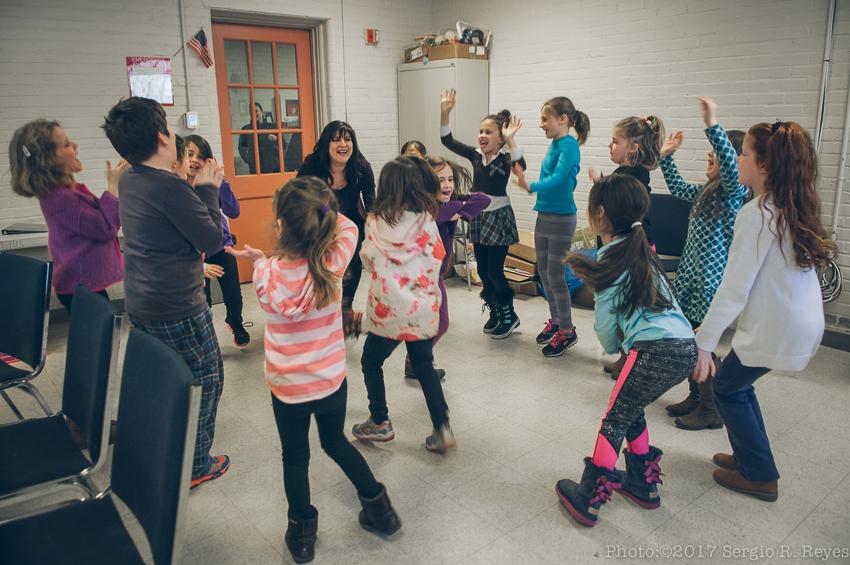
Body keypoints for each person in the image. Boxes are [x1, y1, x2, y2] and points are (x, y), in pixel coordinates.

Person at [227, 177, 400, 564]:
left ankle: (302, 532)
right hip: (329, 382)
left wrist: (258, 260)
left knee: (295, 457)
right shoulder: (332, 264)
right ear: (324, 223)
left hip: (287, 387)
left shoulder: (266, 274)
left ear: (281, 226)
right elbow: (350, 226)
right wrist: (326, 213)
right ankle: (381, 511)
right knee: (335, 442)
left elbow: (271, 278)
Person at [692, 121, 834, 502]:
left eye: (744, 153)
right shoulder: (785, 206)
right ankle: (749, 457)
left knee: (725, 386)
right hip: (795, 322)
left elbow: (734, 289)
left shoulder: (757, 213)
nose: (737, 159)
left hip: (780, 325)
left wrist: (704, 342)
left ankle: (759, 475)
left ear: (764, 165)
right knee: (737, 384)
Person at [555, 174, 698, 527]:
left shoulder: (612, 260)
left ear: (599, 214)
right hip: (685, 348)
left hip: (651, 350)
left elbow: (604, 322)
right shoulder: (643, 251)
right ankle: (642, 483)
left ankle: (588, 497)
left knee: (614, 419)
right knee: (631, 407)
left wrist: (610, 348)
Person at [102, 96, 229, 489]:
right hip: (178, 306)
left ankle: (162, 444)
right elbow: (211, 238)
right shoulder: (171, 188)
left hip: (141, 301)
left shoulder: (131, 180)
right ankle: (195, 465)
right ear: (162, 137)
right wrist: (208, 190)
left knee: (166, 376)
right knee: (206, 377)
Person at [351, 156, 455, 453]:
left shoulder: (374, 222)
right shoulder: (427, 221)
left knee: (371, 361)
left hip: (388, 313)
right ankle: (442, 427)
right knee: (424, 365)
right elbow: (439, 257)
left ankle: (380, 422)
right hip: (422, 311)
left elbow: (368, 259)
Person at [657, 97, 747, 431]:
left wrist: (712, 125)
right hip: (690, 280)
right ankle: (696, 396)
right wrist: (667, 157)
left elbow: (727, 158)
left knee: (701, 345)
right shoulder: (707, 190)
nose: (710, 160)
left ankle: (710, 409)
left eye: (715, 158)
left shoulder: (733, 192)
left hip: (709, 287)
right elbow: (678, 186)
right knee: (688, 343)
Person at [9, 119, 128, 314]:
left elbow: (99, 218)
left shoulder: (64, 192)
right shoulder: (61, 197)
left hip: (82, 282)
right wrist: (113, 185)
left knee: (99, 334)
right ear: (49, 159)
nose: (75, 146)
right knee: (98, 337)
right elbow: (106, 228)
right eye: (66, 144)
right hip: (80, 283)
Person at [439, 89, 525, 338]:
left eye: (488, 132)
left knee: (496, 270)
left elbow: (521, 166)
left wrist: (511, 140)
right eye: (481, 131)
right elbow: (448, 141)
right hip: (479, 217)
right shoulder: (476, 156)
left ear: (500, 137)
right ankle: (496, 310)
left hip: (498, 218)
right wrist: (445, 113)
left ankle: (509, 315)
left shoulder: (504, 158)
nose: (482, 136)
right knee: (484, 271)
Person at [588, 115, 665, 378]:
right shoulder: (630, 172)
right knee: (623, 307)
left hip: (632, 248)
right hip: (625, 247)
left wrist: (599, 182)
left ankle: (630, 356)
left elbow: (618, 206)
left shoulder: (633, 174)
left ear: (632, 148)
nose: (610, 146)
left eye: (614, 141)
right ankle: (625, 355)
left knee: (628, 306)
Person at [400, 154, 490, 378]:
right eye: (441, 180)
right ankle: (416, 360)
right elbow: (444, 212)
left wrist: (458, 204)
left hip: (435, 276)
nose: (447, 185)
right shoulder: (428, 209)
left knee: (438, 323)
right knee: (437, 323)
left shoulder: (446, 205)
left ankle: (414, 360)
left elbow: (483, 199)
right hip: (421, 278)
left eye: (450, 179)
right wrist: (458, 207)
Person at [514, 96, 590, 356]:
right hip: (544, 215)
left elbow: (558, 179)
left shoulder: (569, 145)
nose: (541, 124)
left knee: (556, 277)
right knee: (545, 275)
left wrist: (531, 185)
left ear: (563, 119)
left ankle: (567, 332)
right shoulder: (556, 143)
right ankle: (556, 321)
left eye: (545, 119)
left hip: (561, 219)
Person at [297, 121, 375, 330]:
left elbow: (371, 203)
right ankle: (316, 311)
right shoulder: (312, 166)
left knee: (353, 264)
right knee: (321, 266)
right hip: (318, 220)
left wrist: (376, 232)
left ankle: (345, 309)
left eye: (347, 139)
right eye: (336, 139)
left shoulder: (361, 166)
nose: (343, 144)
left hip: (351, 221)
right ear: (326, 144)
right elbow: (297, 196)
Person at [184, 134, 251, 347]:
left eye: (201, 156)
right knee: (204, 301)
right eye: (190, 154)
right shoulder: (178, 187)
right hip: (194, 254)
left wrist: (221, 185)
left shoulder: (214, 183)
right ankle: (204, 335)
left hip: (221, 248)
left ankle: (235, 323)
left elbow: (234, 212)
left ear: (209, 161)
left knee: (234, 296)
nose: (195, 160)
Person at [239, 101, 282, 174]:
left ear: (262, 112)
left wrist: (276, 139)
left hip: (271, 165)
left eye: (256, 111)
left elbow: (284, 145)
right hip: (255, 166)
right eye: (251, 112)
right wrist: (249, 159)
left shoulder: (271, 127)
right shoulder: (246, 129)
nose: (254, 114)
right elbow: (241, 147)